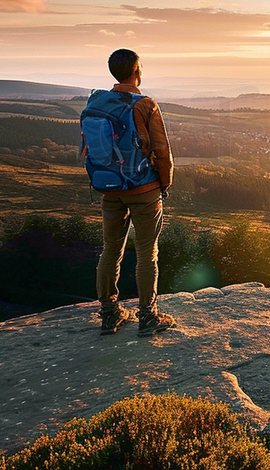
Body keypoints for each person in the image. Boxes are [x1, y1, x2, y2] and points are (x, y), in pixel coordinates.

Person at [89, 49, 176, 336]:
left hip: (109, 188)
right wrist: (164, 183)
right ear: (137, 70)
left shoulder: (96, 102)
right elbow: (162, 151)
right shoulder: (144, 104)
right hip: (143, 188)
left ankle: (109, 314)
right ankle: (148, 317)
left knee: (110, 250)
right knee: (146, 253)